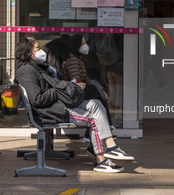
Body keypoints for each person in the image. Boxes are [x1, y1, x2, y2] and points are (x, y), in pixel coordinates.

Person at [15, 37, 135, 173]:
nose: (41, 51)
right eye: (37, 48)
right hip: (50, 111)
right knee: (92, 119)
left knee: (95, 103)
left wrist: (61, 88)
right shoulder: (26, 71)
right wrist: (61, 88)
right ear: (28, 52)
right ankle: (101, 160)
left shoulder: (38, 67)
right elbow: (37, 99)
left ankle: (111, 146)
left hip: (57, 105)